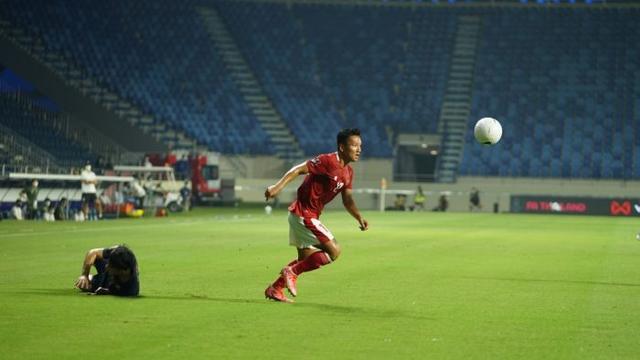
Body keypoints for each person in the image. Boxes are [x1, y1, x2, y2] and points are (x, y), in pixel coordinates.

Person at [264, 128, 369, 303]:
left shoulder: (348, 172)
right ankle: (291, 273)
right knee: (334, 251)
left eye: (360, 146)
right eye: (354, 145)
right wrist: (277, 187)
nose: (359, 149)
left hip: (307, 216)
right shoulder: (328, 161)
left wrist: (359, 217)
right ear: (342, 147)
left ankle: (275, 288)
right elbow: (298, 169)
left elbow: (348, 200)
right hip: (304, 214)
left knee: (305, 259)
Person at [74, 245, 139, 296]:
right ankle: (89, 278)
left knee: (84, 287)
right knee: (84, 282)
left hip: (110, 281)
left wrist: (107, 291)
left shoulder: (131, 289)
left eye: (110, 266)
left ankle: (92, 279)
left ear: (121, 271)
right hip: (111, 276)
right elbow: (92, 252)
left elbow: (114, 291)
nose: (106, 266)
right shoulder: (116, 252)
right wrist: (85, 275)